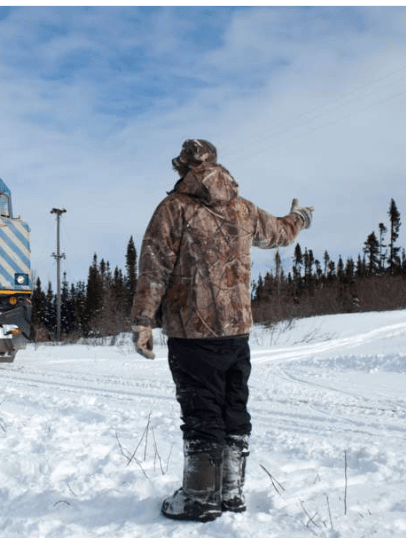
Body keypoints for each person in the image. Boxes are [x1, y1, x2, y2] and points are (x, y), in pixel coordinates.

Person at [131, 139, 313, 522]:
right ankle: (230, 492)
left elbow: (153, 268)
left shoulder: (174, 208)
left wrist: (143, 321)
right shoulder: (242, 208)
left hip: (192, 332)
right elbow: (280, 233)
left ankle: (200, 498)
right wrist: (300, 217)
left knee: (202, 412)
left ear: (183, 167)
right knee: (233, 410)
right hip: (236, 332)